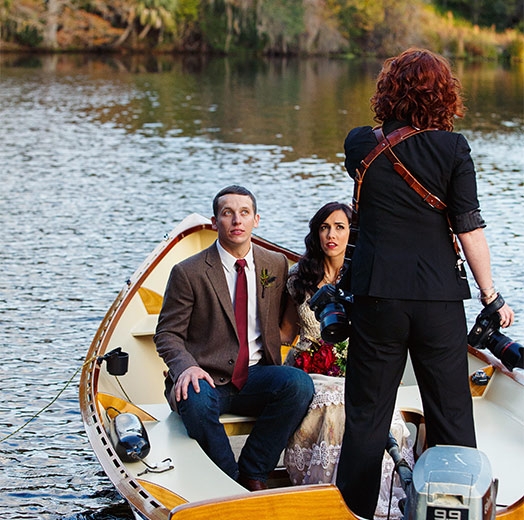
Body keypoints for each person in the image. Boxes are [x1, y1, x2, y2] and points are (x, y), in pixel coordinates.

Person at [335, 48, 515, 519]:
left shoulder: (360, 143)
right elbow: (469, 228)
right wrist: (491, 295)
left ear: (387, 92)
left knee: (367, 416)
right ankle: (455, 508)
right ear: (444, 95)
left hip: (377, 297)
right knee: (450, 412)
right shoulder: (453, 149)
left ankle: (353, 512)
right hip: (437, 299)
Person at [154, 185, 315, 491]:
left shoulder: (275, 264)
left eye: (244, 213)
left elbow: (288, 319)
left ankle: (254, 472)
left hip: (256, 375)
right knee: (194, 399)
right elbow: (167, 333)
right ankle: (229, 480)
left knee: (298, 385)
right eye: (228, 213)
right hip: (206, 377)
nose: (237, 220)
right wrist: (186, 367)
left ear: (256, 220)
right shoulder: (188, 272)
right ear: (215, 222)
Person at [281, 202, 414, 519]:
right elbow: (286, 332)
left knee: (380, 412)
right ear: (316, 234)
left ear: (353, 234)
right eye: (324, 227)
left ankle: (370, 493)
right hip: (309, 370)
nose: (331, 234)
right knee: (336, 406)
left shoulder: (369, 275)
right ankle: (329, 494)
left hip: (359, 367)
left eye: (340, 227)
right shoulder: (299, 278)